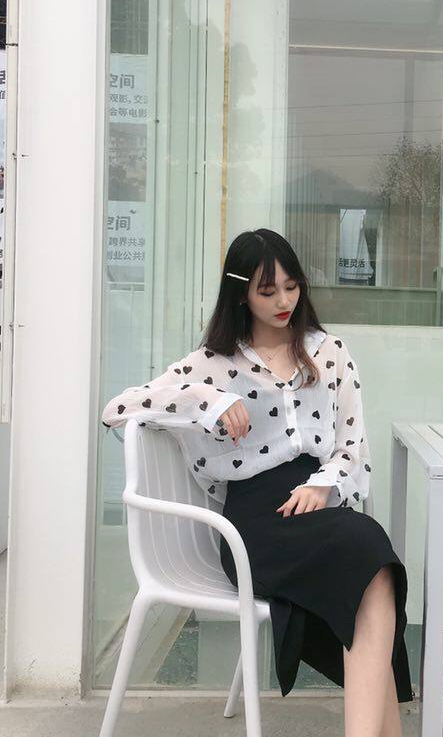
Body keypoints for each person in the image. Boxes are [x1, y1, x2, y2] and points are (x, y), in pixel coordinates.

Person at [101, 228, 414, 736]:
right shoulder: (215, 364)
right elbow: (118, 408)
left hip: (316, 505)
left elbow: (353, 447)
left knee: (373, 563)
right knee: (370, 556)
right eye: (268, 292)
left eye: (291, 287)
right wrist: (208, 400)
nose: (284, 302)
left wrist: (323, 484)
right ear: (241, 293)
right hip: (252, 527)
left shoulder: (329, 352)